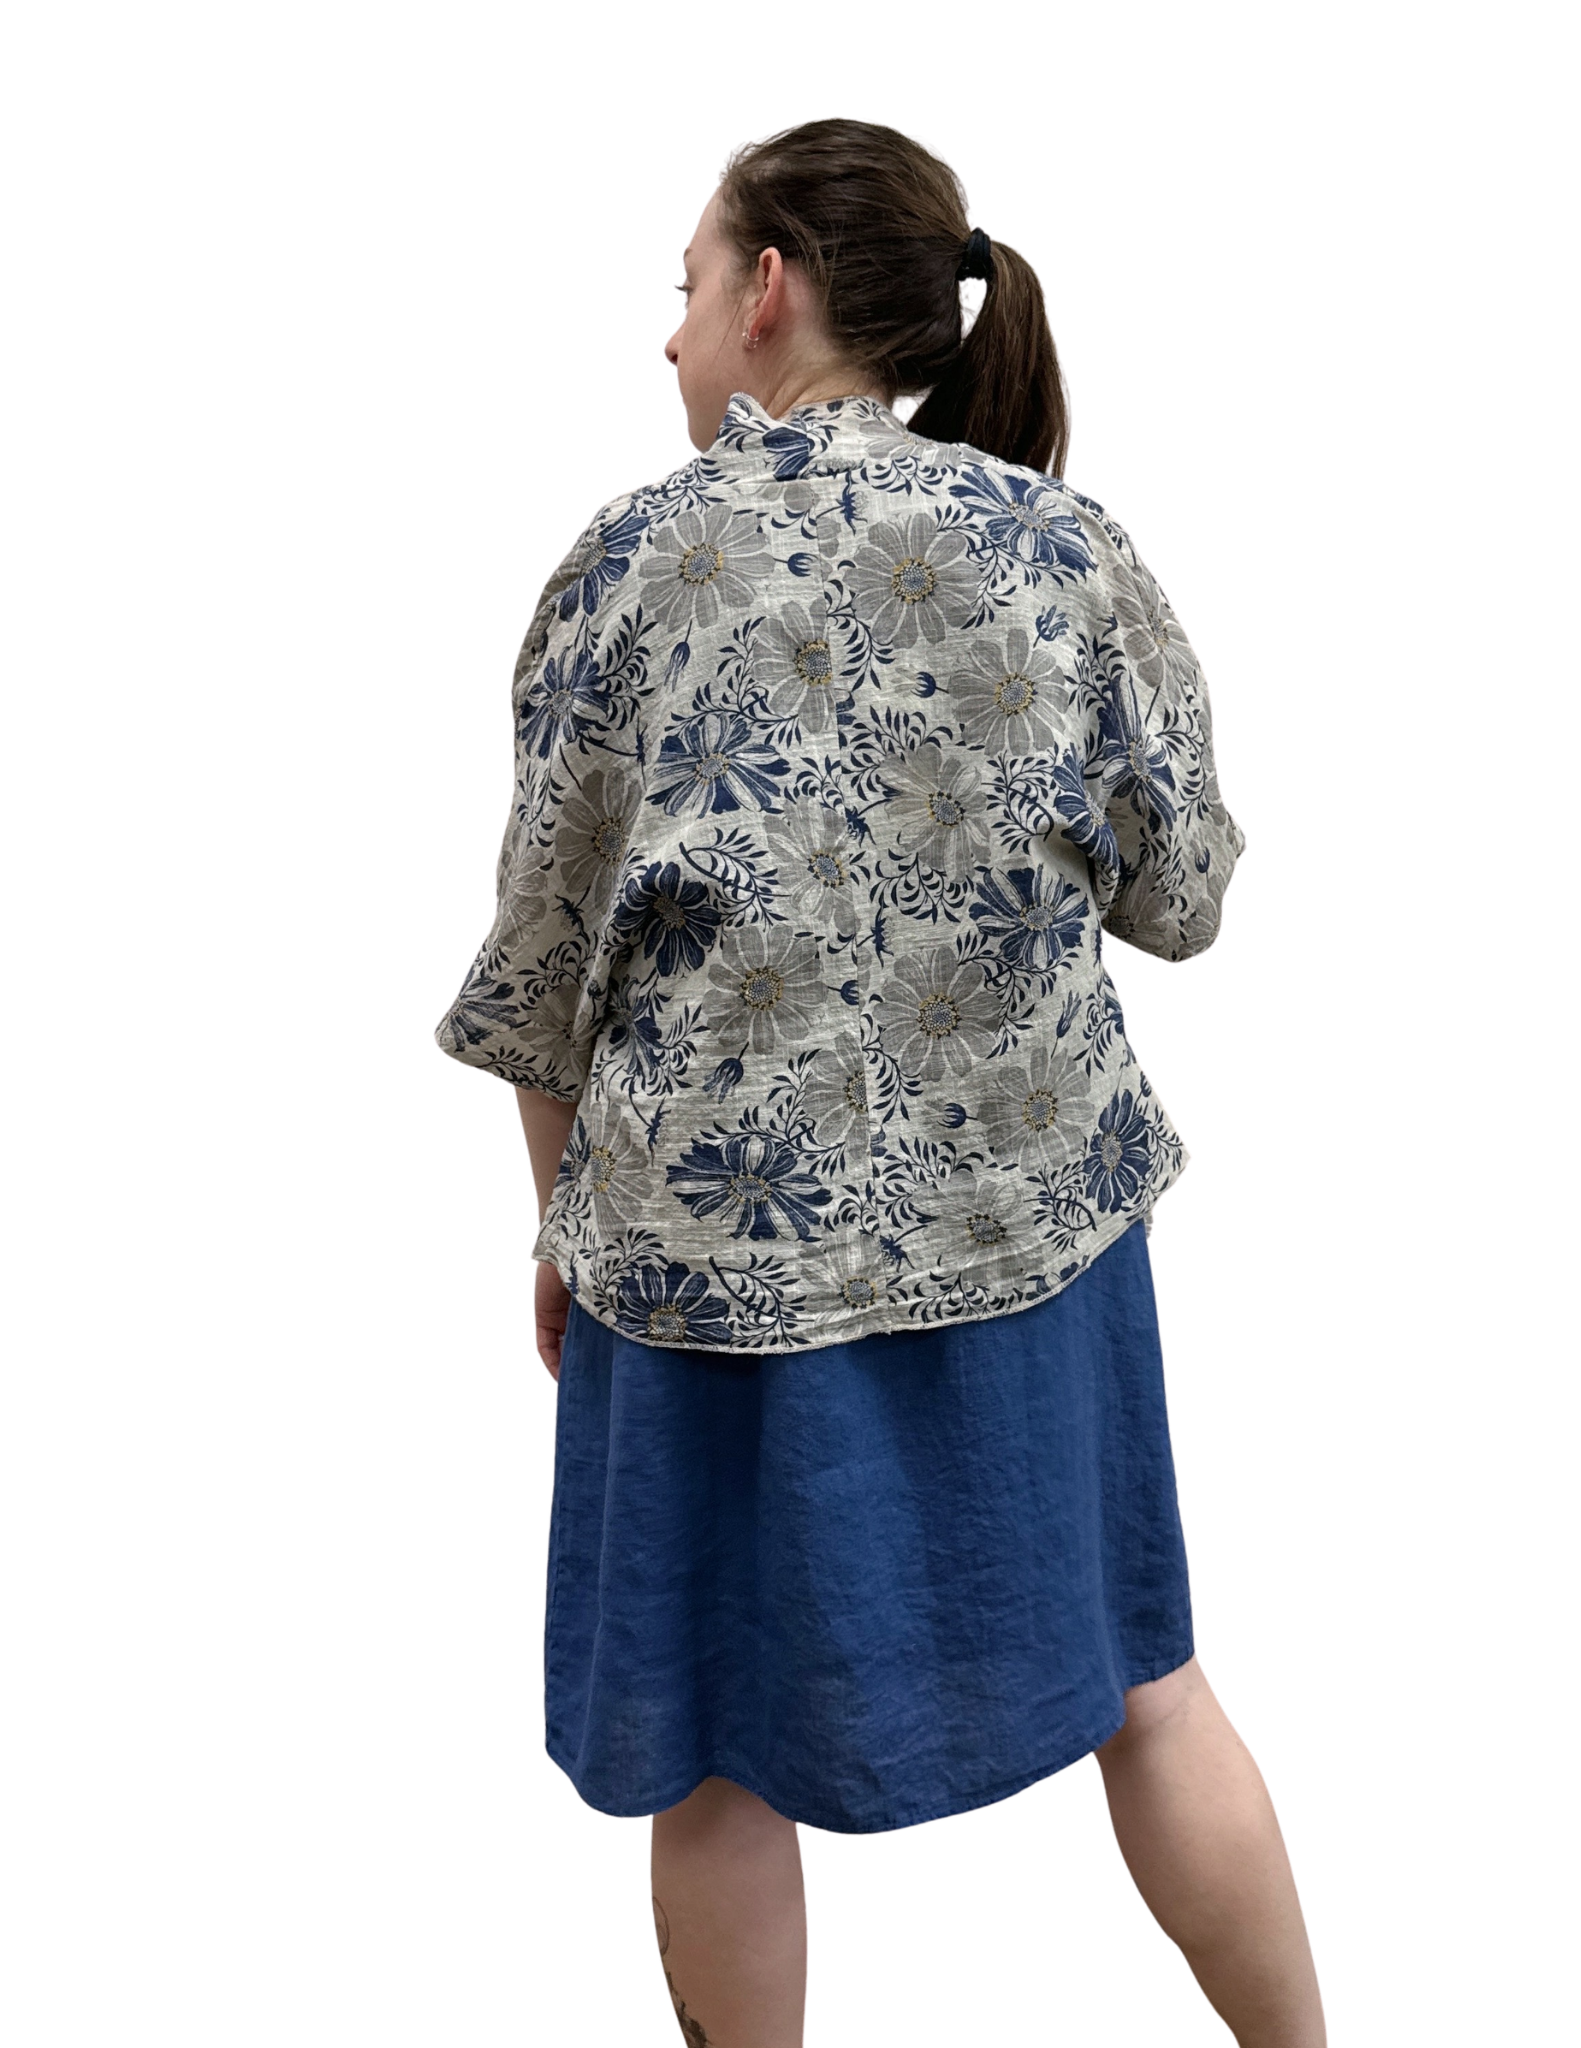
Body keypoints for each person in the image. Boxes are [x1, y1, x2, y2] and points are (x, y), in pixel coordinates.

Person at [435, 117, 1325, 2048]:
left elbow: (540, 984)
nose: (667, 338)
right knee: (1152, 1687)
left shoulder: (628, 569)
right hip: (1034, 1238)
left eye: (681, 289)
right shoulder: (1063, 547)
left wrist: (559, 1228)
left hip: (699, 1278)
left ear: (769, 295)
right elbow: (1182, 895)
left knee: (711, 1762)